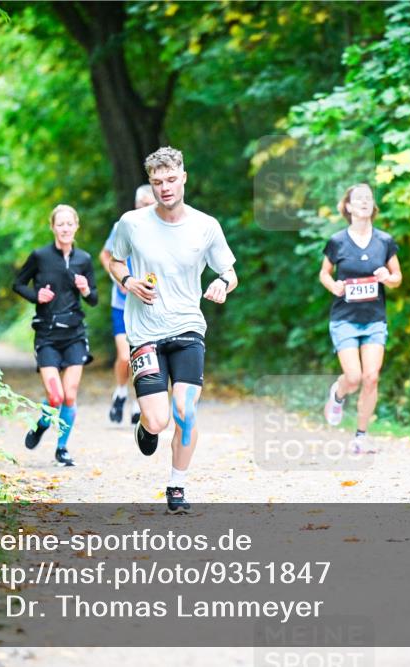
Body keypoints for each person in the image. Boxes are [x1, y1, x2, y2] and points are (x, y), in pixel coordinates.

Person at [107, 146, 238, 513]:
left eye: (170, 180)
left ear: (183, 178)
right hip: (145, 332)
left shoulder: (206, 225)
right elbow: (116, 261)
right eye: (157, 182)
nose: (165, 188)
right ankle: (146, 428)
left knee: (185, 411)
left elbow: (229, 272)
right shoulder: (131, 223)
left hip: (187, 328)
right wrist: (129, 280)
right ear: (151, 184)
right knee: (158, 418)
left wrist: (221, 284)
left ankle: (177, 484)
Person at [13, 204, 98, 467]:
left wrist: (85, 289)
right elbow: (17, 284)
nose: (64, 228)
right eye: (59, 224)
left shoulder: (84, 259)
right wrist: (35, 295)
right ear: (52, 227)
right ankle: (42, 424)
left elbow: (93, 299)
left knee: (70, 396)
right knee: (55, 397)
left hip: (74, 334)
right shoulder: (39, 256)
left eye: (69, 224)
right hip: (47, 334)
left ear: (76, 227)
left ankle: (62, 448)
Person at [320, 183, 402, 452]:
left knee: (371, 377)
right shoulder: (337, 241)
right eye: (359, 199)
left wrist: (387, 278)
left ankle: (361, 436)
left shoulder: (385, 241)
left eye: (369, 198)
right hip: (344, 318)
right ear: (348, 207)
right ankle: (338, 393)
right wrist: (335, 286)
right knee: (353, 377)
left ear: (373, 207)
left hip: (374, 318)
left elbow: (397, 278)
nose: (365, 202)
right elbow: (325, 274)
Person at [99, 184, 156, 426]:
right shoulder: (122, 226)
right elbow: (106, 255)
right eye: (141, 205)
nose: (145, 209)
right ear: (135, 205)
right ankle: (120, 393)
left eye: (149, 205)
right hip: (122, 303)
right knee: (125, 356)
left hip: (148, 305)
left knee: (143, 357)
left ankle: (136, 405)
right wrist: (119, 279)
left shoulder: (162, 230)